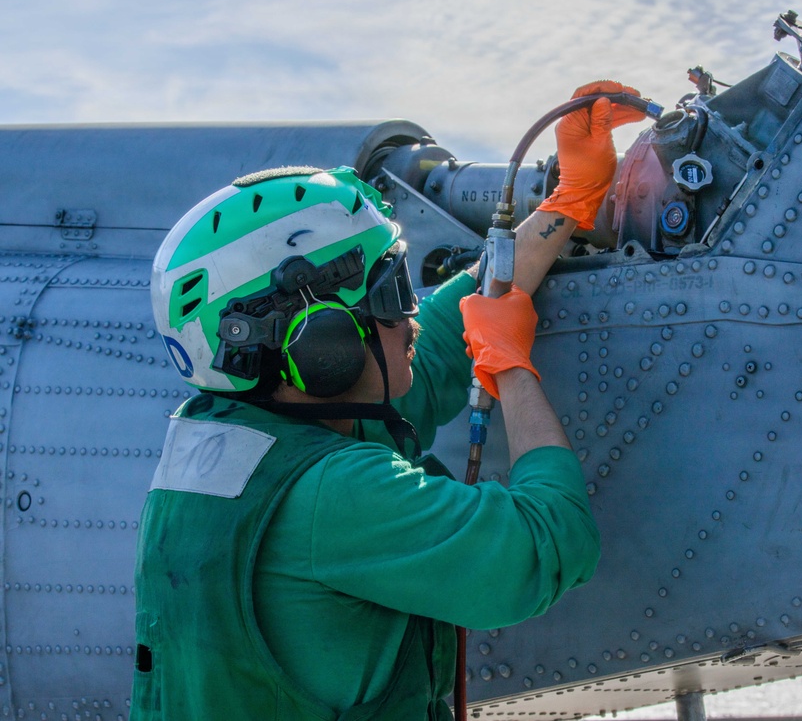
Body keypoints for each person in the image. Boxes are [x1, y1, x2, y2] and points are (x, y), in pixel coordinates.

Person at [131, 80, 644, 720]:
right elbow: (547, 544)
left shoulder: (230, 435)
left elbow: (444, 337)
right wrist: (510, 367)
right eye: (391, 295)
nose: (411, 318)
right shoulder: (337, 496)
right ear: (320, 344)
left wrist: (569, 201)